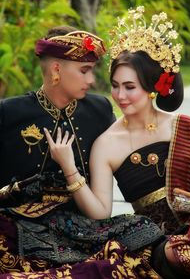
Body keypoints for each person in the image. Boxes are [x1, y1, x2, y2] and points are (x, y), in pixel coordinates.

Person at [40, 7, 190, 279]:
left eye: (129, 87)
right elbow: (101, 212)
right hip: (157, 246)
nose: (120, 95)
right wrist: (69, 168)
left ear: (150, 88)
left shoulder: (183, 126)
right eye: (115, 85)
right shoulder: (107, 143)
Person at [0, 25, 162, 277]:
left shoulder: (98, 110)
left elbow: (127, 157)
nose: (91, 80)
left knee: (142, 230)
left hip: (81, 228)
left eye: (92, 71)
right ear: (56, 70)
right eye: (84, 71)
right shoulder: (9, 113)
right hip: (19, 226)